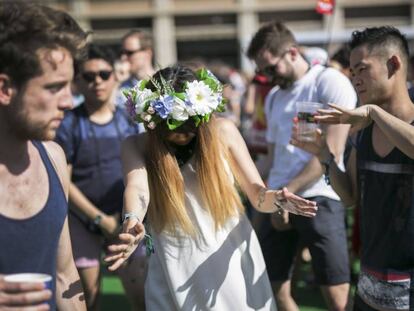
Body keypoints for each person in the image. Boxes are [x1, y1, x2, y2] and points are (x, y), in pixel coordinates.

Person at [104, 65, 318, 310]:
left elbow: (258, 195)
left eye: (189, 126)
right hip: (173, 258)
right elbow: (138, 188)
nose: (182, 135)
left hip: (228, 257)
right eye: (172, 127)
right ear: (152, 118)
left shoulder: (223, 131)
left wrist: (277, 200)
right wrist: (132, 221)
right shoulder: (136, 145)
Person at [291, 26, 414, 311]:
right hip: (371, 284)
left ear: (393, 64)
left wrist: (372, 112)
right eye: (352, 72)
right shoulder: (364, 132)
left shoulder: (371, 117)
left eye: (362, 70)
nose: (355, 80)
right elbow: (349, 198)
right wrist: (324, 154)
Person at [246, 21, 357, 311]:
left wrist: (285, 194)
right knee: (274, 289)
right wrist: (259, 193)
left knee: (337, 295)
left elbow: (330, 152)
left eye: (270, 68)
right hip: (280, 198)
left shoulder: (327, 82)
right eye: (261, 71)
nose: (267, 77)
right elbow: (272, 158)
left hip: (320, 196)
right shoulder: (273, 97)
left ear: (292, 53)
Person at [0, 2, 87, 310]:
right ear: (5, 88)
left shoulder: (53, 157)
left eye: (70, 86)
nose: (68, 101)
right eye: (54, 88)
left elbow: (65, 275)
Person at [55, 44, 144, 310]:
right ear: (78, 82)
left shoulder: (129, 120)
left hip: (125, 220)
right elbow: (63, 181)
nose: (97, 81)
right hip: (82, 221)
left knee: (140, 297)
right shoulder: (68, 123)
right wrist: (97, 218)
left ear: (115, 76)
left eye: (104, 74)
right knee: (86, 300)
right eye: (88, 76)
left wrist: (126, 218)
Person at [116, 29, 156, 107]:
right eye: (122, 52)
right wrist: (116, 82)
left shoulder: (165, 83)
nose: (123, 57)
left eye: (129, 53)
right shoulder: (121, 88)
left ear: (147, 53)